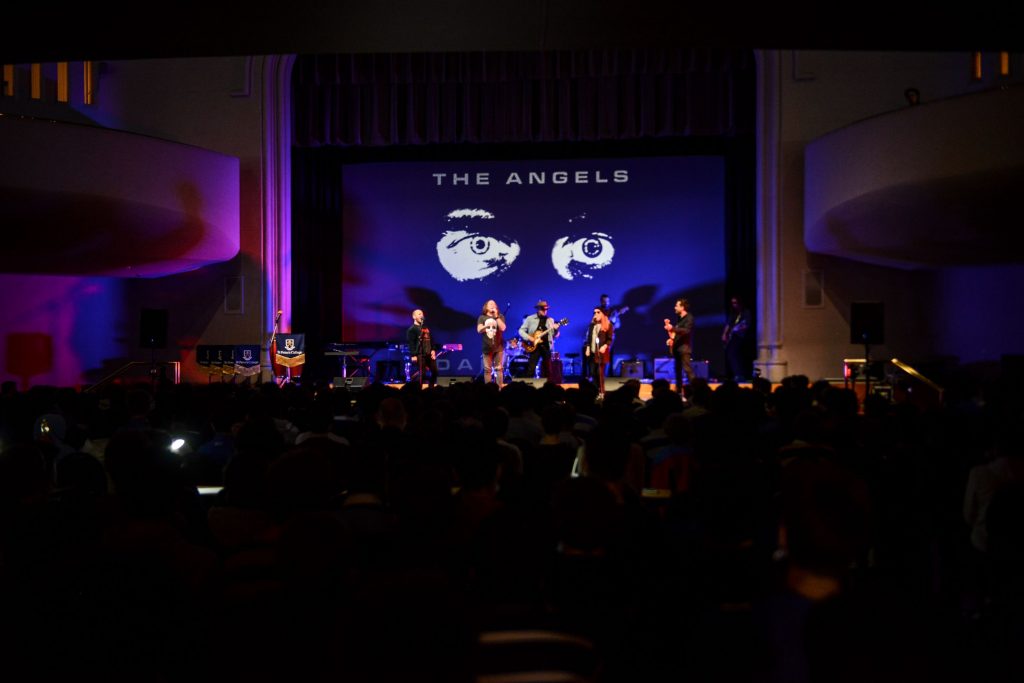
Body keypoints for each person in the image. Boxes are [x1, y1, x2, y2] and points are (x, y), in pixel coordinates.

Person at [519, 299, 561, 380]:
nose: (545, 311)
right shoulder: (530, 319)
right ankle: (528, 388)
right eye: (543, 309)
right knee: (531, 369)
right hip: (534, 347)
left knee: (548, 370)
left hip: (546, 346)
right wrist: (529, 338)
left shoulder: (550, 320)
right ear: (538, 309)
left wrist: (556, 329)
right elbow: (521, 330)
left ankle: (547, 388)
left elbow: (553, 335)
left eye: (546, 310)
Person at [663, 298, 694, 394]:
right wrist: (671, 338)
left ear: (682, 307)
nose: (674, 307)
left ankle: (696, 390)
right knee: (678, 371)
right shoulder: (679, 319)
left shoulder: (689, 318)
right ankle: (678, 390)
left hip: (684, 349)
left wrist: (673, 328)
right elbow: (677, 333)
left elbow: (686, 331)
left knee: (688, 370)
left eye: (676, 305)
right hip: (677, 348)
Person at [583, 306, 614, 395]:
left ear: (603, 314)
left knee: (599, 373)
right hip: (592, 352)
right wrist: (588, 347)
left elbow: (609, 339)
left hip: (601, 353)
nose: (595, 314)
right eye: (594, 312)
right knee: (592, 372)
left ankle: (602, 391)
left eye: (598, 312)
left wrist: (605, 346)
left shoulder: (608, 325)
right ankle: (595, 391)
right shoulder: (592, 325)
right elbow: (589, 338)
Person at [477, 299, 507, 388]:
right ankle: (489, 389)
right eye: (490, 304)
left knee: (499, 368)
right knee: (487, 370)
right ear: (486, 307)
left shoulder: (500, 316)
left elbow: (503, 328)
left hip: (498, 347)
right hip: (487, 347)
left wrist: (496, 317)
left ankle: (500, 387)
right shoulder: (482, 317)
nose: (492, 305)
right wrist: (487, 325)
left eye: (494, 304)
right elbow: (479, 330)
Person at [721, 295, 752, 382]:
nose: (734, 305)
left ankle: (740, 374)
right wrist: (724, 334)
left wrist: (737, 328)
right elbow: (728, 324)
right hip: (733, 336)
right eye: (732, 303)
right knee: (731, 355)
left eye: (735, 303)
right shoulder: (733, 313)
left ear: (740, 303)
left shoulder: (746, 312)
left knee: (736, 355)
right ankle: (736, 374)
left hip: (741, 336)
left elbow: (746, 325)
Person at [406, 309, 437, 388]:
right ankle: (417, 388)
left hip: (429, 354)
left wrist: (433, 350)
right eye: (419, 314)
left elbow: (431, 339)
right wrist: (413, 355)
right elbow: (411, 343)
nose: (421, 315)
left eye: (422, 314)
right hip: (420, 354)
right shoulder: (412, 329)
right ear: (414, 317)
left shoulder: (426, 328)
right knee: (422, 373)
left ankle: (431, 387)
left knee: (435, 371)